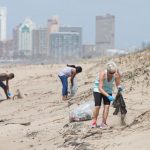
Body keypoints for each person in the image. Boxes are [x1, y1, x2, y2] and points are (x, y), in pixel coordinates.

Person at [91, 61, 122, 129]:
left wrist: (119, 87)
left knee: (107, 106)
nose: (112, 74)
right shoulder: (102, 74)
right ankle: (94, 122)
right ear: (107, 71)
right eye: (110, 73)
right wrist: (108, 96)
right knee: (97, 106)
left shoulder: (115, 74)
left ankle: (103, 123)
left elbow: (117, 84)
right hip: (98, 90)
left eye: (113, 73)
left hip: (108, 90)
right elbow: (100, 88)